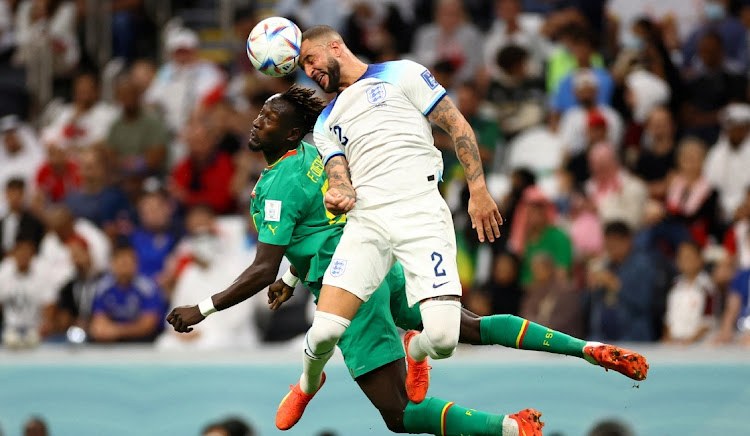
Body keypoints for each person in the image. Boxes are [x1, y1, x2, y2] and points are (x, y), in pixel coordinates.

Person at [167, 87, 647, 436]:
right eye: (259, 114)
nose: (256, 121)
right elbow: (318, 223)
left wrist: (201, 309)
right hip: (382, 260)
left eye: (268, 117)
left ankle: (508, 427)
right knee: (468, 326)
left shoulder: (275, 185)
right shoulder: (315, 156)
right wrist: (293, 276)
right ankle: (586, 349)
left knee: (398, 415)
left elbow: (259, 268)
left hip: (348, 289)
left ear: (291, 131)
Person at [88, 244, 164, 343]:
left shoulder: (147, 288)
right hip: (111, 339)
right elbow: (99, 320)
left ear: (136, 265)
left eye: (128, 262)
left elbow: (148, 325)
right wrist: (102, 330)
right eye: (121, 262)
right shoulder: (103, 287)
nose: (125, 267)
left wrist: (117, 331)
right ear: (113, 264)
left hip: (141, 339)